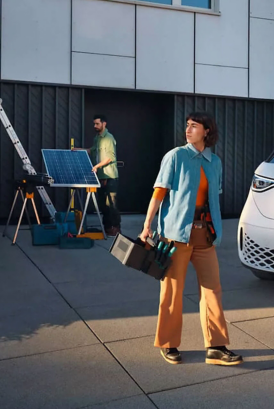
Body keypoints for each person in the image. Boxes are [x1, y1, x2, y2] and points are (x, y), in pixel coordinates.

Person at [140, 112, 242, 366]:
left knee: (212, 291)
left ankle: (216, 347)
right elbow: (159, 192)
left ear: (207, 131)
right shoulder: (176, 156)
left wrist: (216, 229)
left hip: (205, 235)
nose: (188, 129)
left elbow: (214, 198)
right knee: (172, 293)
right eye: (187, 125)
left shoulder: (214, 162)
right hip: (176, 236)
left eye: (194, 126)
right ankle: (168, 344)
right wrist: (147, 225)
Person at [82, 114, 121, 236]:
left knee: (111, 204)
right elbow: (92, 150)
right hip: (100, 177)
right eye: (94, 124)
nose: (95, 126)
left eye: (97, 124)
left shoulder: (108, 138)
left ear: (104, 124)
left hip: (109, 176)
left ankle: (115, 228)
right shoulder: (97, 138)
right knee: (103, 205)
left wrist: (97, 167)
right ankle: (107, 227)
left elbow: (110, 157)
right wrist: (78, 150)